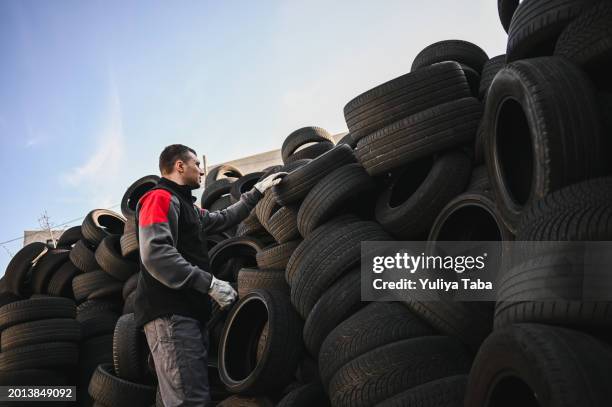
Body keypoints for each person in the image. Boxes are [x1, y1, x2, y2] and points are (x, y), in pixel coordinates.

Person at [132, 144, 285, 406]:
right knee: (189, 401)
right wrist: (210, 284)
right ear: (180, 166)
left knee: (194, 396)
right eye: (197, 164)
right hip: (171, 315)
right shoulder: (159, 198)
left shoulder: (186, 207)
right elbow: (155, 254)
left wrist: (256, 192)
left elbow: (224, 217)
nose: (202, 171)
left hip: (187, 314)